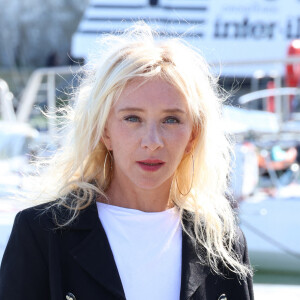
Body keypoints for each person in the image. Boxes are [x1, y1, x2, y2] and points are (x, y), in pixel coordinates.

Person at [0, 23, 254, 300]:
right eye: (132, 118)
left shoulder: (223, 245)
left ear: (193, 136)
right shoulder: (41, 234)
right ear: (104, 131)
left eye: (171, 119)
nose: (152, 140)